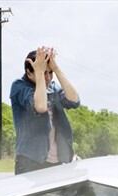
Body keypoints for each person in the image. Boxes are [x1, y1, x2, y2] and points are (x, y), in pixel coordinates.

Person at [10, 46, 80, 174]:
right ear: (29, 73)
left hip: (58, 161)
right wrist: (39, 72)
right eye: (44, 73)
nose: (48, 78)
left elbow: (74, 100)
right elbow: (40, 107)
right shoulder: (19, 87)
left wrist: (56, 69)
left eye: (50, 73)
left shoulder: (53, 87)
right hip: (31, 161)